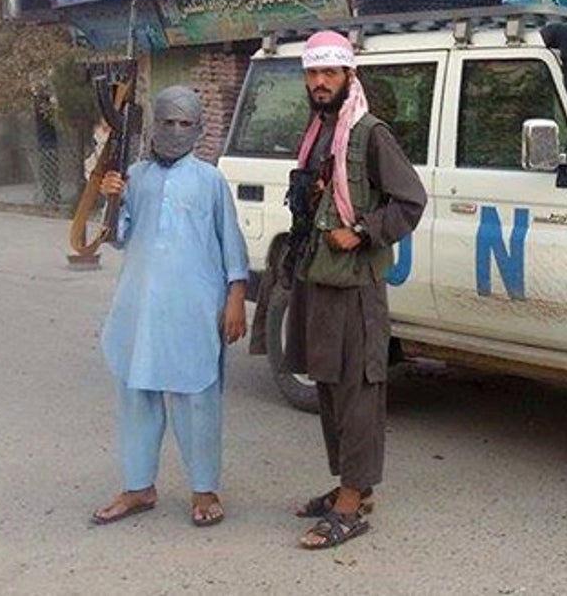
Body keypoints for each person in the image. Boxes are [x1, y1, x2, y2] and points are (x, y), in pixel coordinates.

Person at [284, 31, 427, 549]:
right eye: (312, 74)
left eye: (329, 73)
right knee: (326, 385)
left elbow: (409, 201)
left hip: (355, 286)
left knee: (357, 392)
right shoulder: (320, 130)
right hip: (318, 277)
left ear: (349, 76)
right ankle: (351, 485)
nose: (320, 83)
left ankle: (352, 501)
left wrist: (364, 229)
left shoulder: (368, 134)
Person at [91, 86, 249, 528]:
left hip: (194, 307)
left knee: (196, 398)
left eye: (185, 123)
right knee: (136, 394)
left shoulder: (210, 181)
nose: (175, 131)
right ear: (153, 125)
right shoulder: (134, 175)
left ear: (198, 129)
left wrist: (236, 297)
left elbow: (230, 242)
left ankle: (204, 489)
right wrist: (112, 196)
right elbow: (119, 236)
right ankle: (139, 486)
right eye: (167, 122)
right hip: (139, 308)